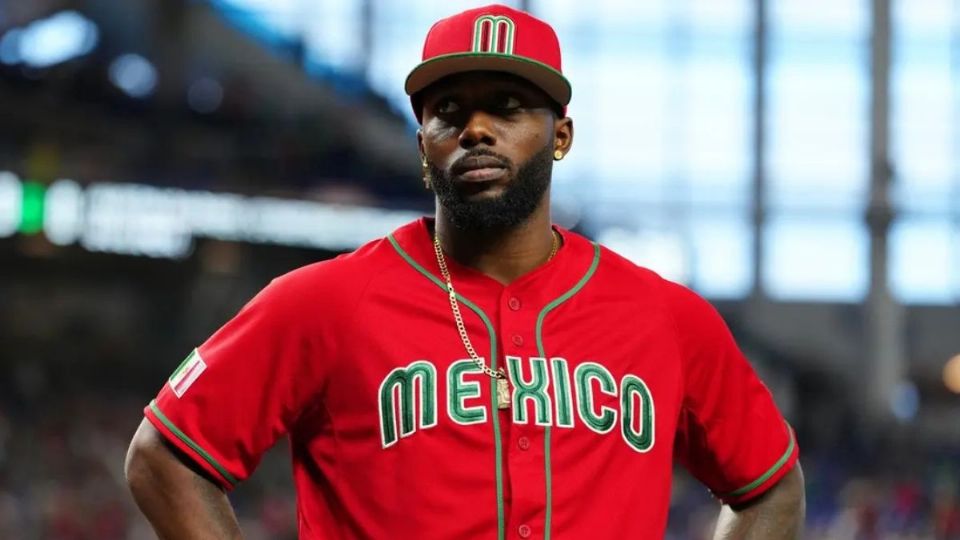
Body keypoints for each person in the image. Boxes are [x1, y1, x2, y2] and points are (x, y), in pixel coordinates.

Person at [124, 4, 805, 539]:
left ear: (561, 135)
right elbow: (164, 456)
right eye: (448, 112)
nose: (475, 130)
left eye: (507, 107)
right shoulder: (323, 301)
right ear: (423, 144)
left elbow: (771, 485)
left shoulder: (665, 318)